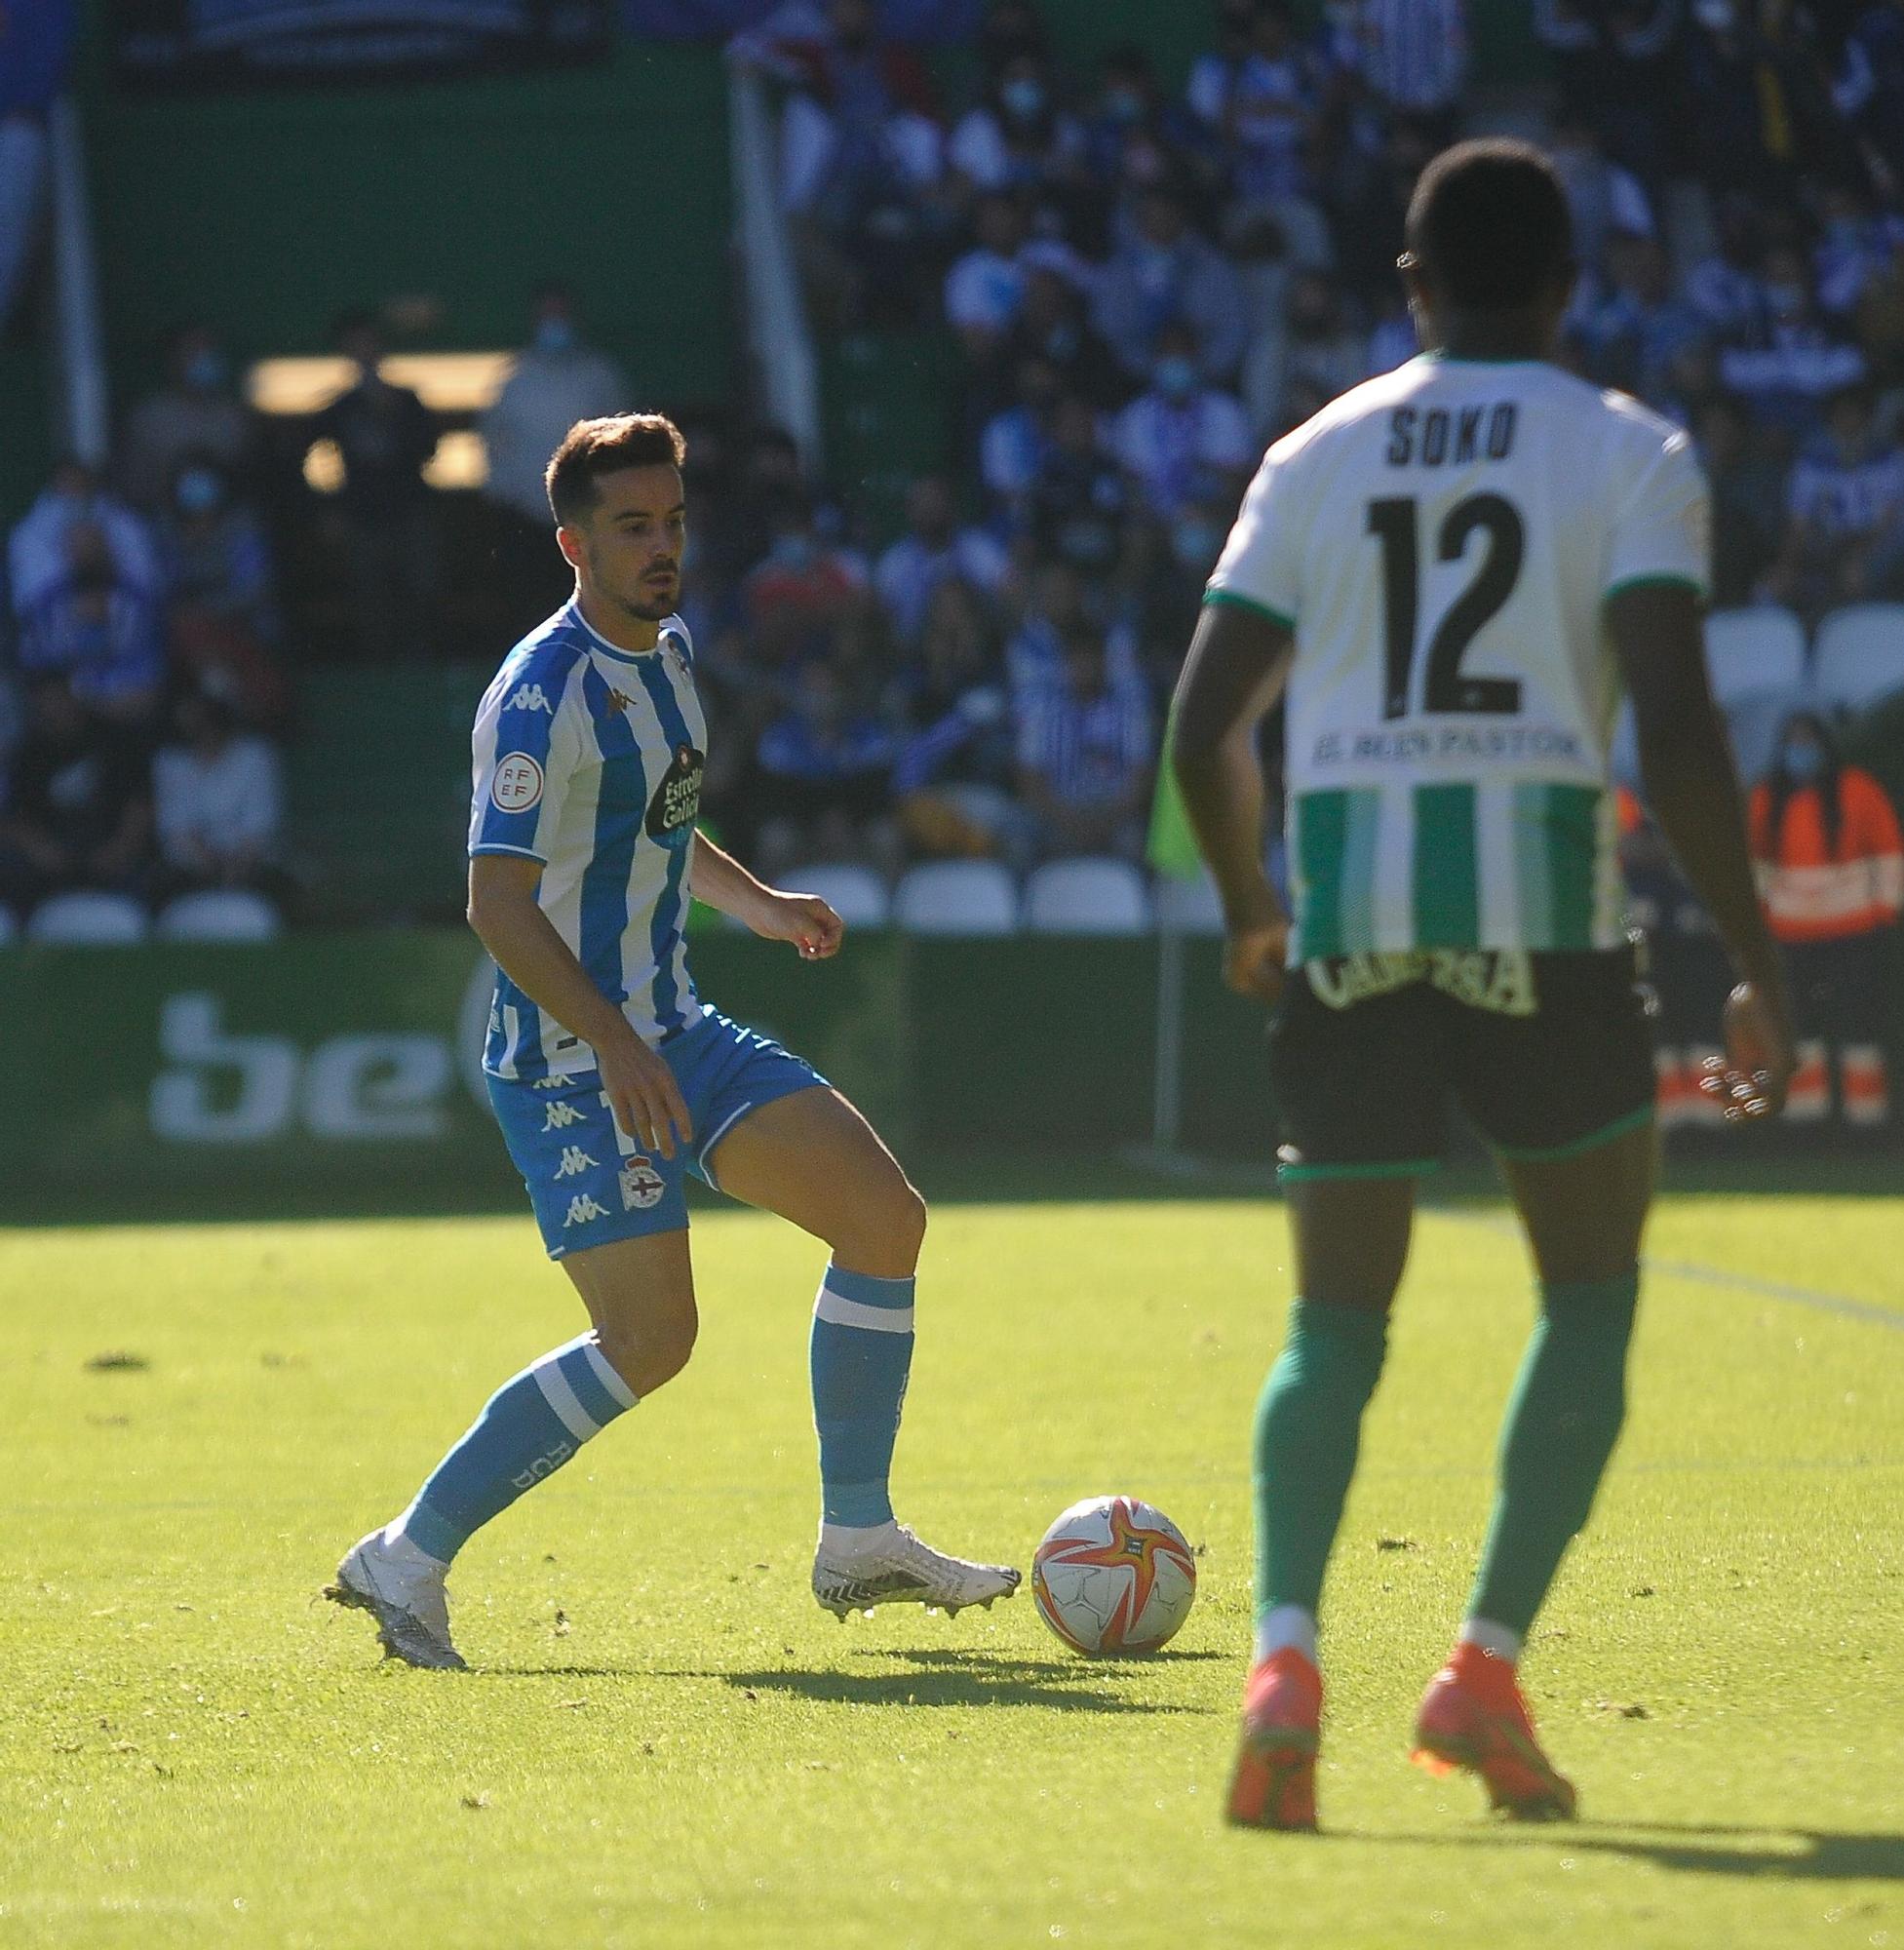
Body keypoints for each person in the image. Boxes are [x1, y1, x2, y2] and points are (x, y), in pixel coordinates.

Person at [1170, 139, 1795, 1833]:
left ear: (1410, 284)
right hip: (1548, 930)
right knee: (1585, 1300)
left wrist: (1247, 905)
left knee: (1331, 1326)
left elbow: (1201, 719)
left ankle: (1284, 1662)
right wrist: (1750, 958)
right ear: (1569, 285)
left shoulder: (1313, 457)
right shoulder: (1630, 455)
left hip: (1353, 926)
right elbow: (1670, 725)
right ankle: (1481, 1673)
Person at [326, 413, 1017, 1670]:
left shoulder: (671, 650)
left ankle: (859, 1536)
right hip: (572, 1065)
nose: (662, 548)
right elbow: (496, 902)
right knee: (651, 1343)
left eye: (675, 522)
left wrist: (760, 901)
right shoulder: (541, 694)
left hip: (678, 1030)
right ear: (573, 542)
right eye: (634, 527)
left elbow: (658, 826)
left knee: (883, 1220)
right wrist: (615, 1043)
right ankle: (403, 1558)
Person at [1749, 712, 1903, 1129]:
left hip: (1852, 931)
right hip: (1788, 935)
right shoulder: (1768, 797)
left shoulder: (1858, 791)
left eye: (1809, 741)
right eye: (1794, 741)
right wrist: (1761, 921)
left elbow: (1889, 854)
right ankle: (1806, 1117)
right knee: (1801, 1025)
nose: (1802, 751)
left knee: (1856, 1024)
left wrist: (1884, 911)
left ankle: (1865, 1116)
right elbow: (1755, 868)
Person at [482, 285, 633, 634]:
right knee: (530, 603)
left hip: (588, 515)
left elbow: (622, 439)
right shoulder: (514, 379)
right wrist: (502, 493)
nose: (555, 323)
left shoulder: (599, 375)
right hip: (526, 517)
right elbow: (493, 439)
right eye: (548, 315)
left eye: (560, 314)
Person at [312, 311, 443, 660]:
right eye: (354, 345)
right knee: (370, 598)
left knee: (419, 593)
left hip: (409, 511)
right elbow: (310, 451)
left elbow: (430, 449)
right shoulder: (341, 408)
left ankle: (421, 662)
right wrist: (329, 508)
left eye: (368, 343)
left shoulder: (407, 401)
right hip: (363, 518)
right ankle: (377, 667)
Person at [0, 674, 152, 918]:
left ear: (74, 698)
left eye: (58, 698)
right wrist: (43, 851)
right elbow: (14, 818)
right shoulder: (30, 754)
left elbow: (140, 803)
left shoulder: (116, 740)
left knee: (147, 875)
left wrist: (120, 849)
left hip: (111, 848)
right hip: (51, 855)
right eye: (44, 701)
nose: (52, 707)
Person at [151, 688, 286, 902]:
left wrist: (238, 865)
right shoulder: (170, 761)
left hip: (252, 861)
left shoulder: (256, 755)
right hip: (190, 865)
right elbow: (175, 825)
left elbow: (261, 822)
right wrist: (210, 864)